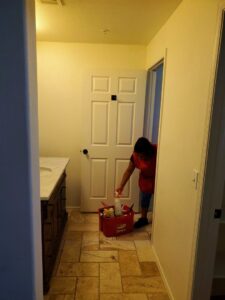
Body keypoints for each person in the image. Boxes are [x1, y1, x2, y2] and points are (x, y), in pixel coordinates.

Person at [116, 137, 157, 228]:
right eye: (138, 155)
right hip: (145, 179)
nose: (140, 158)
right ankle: (143, 219)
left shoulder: (157, 150)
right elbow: (129, 171)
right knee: (144, 199)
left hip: (159, 179)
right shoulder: (135, 156)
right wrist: (121, 186)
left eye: (142, 156)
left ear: (148, 151)